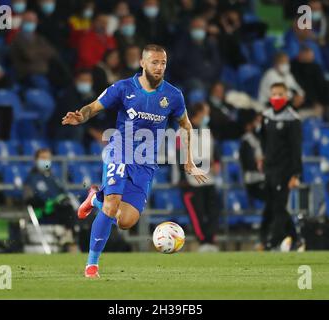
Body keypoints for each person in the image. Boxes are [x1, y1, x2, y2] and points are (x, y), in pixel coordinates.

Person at [62, 44, 208, 278]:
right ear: (142, 63)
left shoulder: (173, 95)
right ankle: (92, 265)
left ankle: (95, 198)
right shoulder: (123, 88)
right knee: (113, 203)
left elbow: (186, 126)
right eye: (154, 62)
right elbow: (94, 107)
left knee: (125, 221)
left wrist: (188, 161)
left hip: (145, 163)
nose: (159, 67)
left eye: (163, 63)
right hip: (119, 150)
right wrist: (81, 116)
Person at [260, 82, 303, 252]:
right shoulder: (267, 116)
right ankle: (296, 238)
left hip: (284, 169)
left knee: (279, 206)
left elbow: (296, 148)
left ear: (286, 96)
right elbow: (264, 140)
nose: (276, 98)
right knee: (273, 204)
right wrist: (263, 157)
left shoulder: (292, 118)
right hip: (270, 168)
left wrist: (296, 174)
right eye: (274, 94)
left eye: (280, 94)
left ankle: (273, 240)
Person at [179, 102, 220, 252]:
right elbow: (182, 156)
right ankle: (203, 241)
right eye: (206, 112)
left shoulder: (207, 131)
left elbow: (213, 150)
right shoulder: (184, 131)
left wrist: (216, 161)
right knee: (198, 214)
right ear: (199, 113)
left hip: (210, 179)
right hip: (192, 181)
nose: (208, 116)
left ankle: (211, 240)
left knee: (214, 211)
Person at [23, 148, 77, 229]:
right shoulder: (31, 179)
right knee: (67, 210)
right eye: (43, 158)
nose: (46, 161)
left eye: (48, 158)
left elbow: (62, 192)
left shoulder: (53, 178)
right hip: (42, 212)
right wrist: (49, 203)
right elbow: (29, 199)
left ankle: (78, 234)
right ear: (36, 160)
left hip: (58, 209)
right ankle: (72, 234)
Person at [291, 45, 329, 121]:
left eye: (312, 57)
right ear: (301, 54)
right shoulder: (292, 68)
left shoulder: (315, 67)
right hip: (303, 106)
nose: (312, 59)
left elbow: (323, 87)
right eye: (309, 56)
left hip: (319, 105)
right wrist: (313, 103)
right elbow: (300, 89)